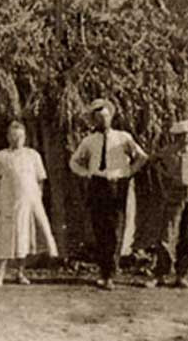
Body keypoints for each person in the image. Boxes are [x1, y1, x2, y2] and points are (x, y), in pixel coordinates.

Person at [69, 98, 149, 290]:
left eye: (105, 116)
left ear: (111, 117)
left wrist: (128, 172)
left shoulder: (123, 138)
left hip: (117, 185)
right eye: (98, 117)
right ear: (94, 120)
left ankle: (110, 274)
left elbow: (142, 157)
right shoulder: (89, 141)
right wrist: (86, 173)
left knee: (115, 228)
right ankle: (104, 272)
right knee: (100, 228)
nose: (103, 120)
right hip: (98, 184)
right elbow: (74, 162)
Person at [143, 120, 188, 289]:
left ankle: (183, 275)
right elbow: (153, 160)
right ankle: (161, 274)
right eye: (183, 135)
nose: (187, 138)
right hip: (174, 193)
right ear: (176, 136)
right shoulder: (169, 152)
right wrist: (166, 174)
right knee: (166, 234)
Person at [0, 121, 57, 287]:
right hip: (6, 203)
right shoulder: (0, 157)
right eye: (13, 135)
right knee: (3, 238)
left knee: (23, 237)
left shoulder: (33, 155)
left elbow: (40, 180)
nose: (17, 139)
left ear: (25, 137)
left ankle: (20, 273)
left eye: (20, 136)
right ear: (8, 137)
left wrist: (35, 199)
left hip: (27, 203)